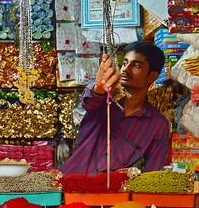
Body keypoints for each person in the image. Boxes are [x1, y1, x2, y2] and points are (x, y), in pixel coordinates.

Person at [60, 41, 171, 175]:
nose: (126, 69)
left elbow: (152, 174)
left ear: (152, 76)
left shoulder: (157, 125)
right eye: (124, 63)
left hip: (112, 193)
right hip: (72, 183)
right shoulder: (105, 99)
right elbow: (89, 101)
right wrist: (98, 88)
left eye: (136, 65)